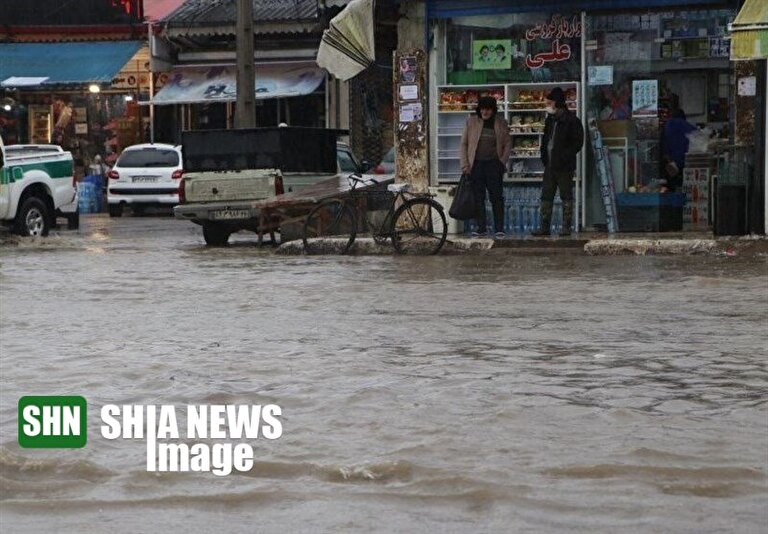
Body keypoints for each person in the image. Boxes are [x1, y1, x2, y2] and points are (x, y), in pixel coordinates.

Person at [533, 87, 584, 236]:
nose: (548, 105)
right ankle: (544, 226)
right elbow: (546, 140)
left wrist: (565, 156)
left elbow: (578, 142)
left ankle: (566, 226)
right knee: (546, 195)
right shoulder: (550, 120)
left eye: (550, 102)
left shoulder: (572, 121)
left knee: (566, 195)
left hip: (564, 166)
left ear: (557, 103)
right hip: (549, 165)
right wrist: (544, 156)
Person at [460, 96, 512, 237]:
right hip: (476, 165)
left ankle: (499, 228)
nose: (485, 112)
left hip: (494, 165)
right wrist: (465, 165)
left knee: (496, 197)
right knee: (478, 197)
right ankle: (481, 227)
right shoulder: (471, 122)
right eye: (482, 109)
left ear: (493, 110)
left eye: (488, 109)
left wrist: (502, 162)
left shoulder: (501, 123)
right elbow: (464, 144)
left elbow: (507, 143)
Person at [662, 108, 696, 192]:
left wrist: (667, 158)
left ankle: (672, 201)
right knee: (686, 185)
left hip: (671, 162)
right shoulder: (689, 126)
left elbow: (663, 143)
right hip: (686, 162)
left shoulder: (667, 125)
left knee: (671, 186)